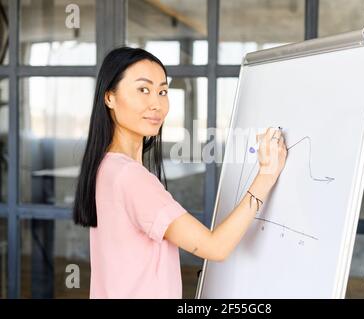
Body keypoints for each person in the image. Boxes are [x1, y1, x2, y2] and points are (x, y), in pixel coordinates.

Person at [73, 47, 287, 298]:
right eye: (143, 89)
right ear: (109, 97)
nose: (157, 103)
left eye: (162, 91)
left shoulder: (106, 166)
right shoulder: (130, 177)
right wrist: (266, 175)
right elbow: (215, 247)